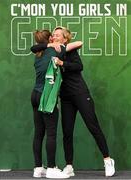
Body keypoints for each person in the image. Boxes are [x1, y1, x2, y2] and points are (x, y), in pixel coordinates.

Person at [31, 27, 115, 178]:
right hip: (66, 97)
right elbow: (35, 47)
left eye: (57, 35)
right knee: (67, 132)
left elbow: (79, 66)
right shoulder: (51, 50)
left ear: (64, 39)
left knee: (93, 126)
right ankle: (69, 166)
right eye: (53, 36)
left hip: (80, 93)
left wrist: (62, 63)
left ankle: (108, 160)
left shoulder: (69, 50)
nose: (54, 37)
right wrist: (49, 46)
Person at [31, 29, 82, 179]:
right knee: (51, 133)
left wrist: (47, 45)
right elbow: (79, 43)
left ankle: (38, 168)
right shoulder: (56, 51)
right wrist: (54, 45)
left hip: (35, 95)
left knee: (39, 133)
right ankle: (52, 168)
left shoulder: (38, 54)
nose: (55, 38)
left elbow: (34, 48)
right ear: (49, 40)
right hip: (46, 96)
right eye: (52, 37)